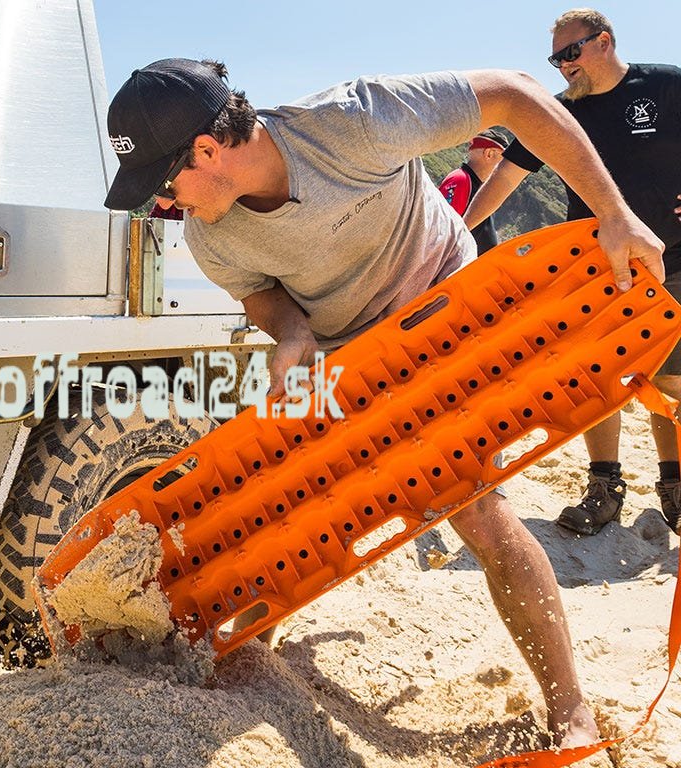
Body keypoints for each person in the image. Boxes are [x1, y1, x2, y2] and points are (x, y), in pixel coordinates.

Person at [102, 57, 664, 749]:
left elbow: (515, 95)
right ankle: (244, 666)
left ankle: (570, 708)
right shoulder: (210, 234)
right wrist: (292, 332)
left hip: (451, 307)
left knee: (470, 501)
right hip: (351, 353)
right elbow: (259, 293)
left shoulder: (349, 123)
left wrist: (613, 213)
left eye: (165, 183)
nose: (166, 204)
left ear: (208, 150)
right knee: (290, 501)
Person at [463, 8, 681, 537]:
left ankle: (675, 488)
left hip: (673, 258)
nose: (563, 66)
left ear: (604, 42)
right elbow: (506, 178)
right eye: (555, 59)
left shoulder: (666, 86)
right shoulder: (559, 114)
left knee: (669, 377)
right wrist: (458, 230)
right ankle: (604, 488)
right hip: (591, 269)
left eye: (570, 53)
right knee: (595, 380)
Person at [437, 128, 510, 254]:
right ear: (489, 154)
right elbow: (441, 232)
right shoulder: (461, 180)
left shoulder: (477, 186)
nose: (505, 167)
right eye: (504, 161)